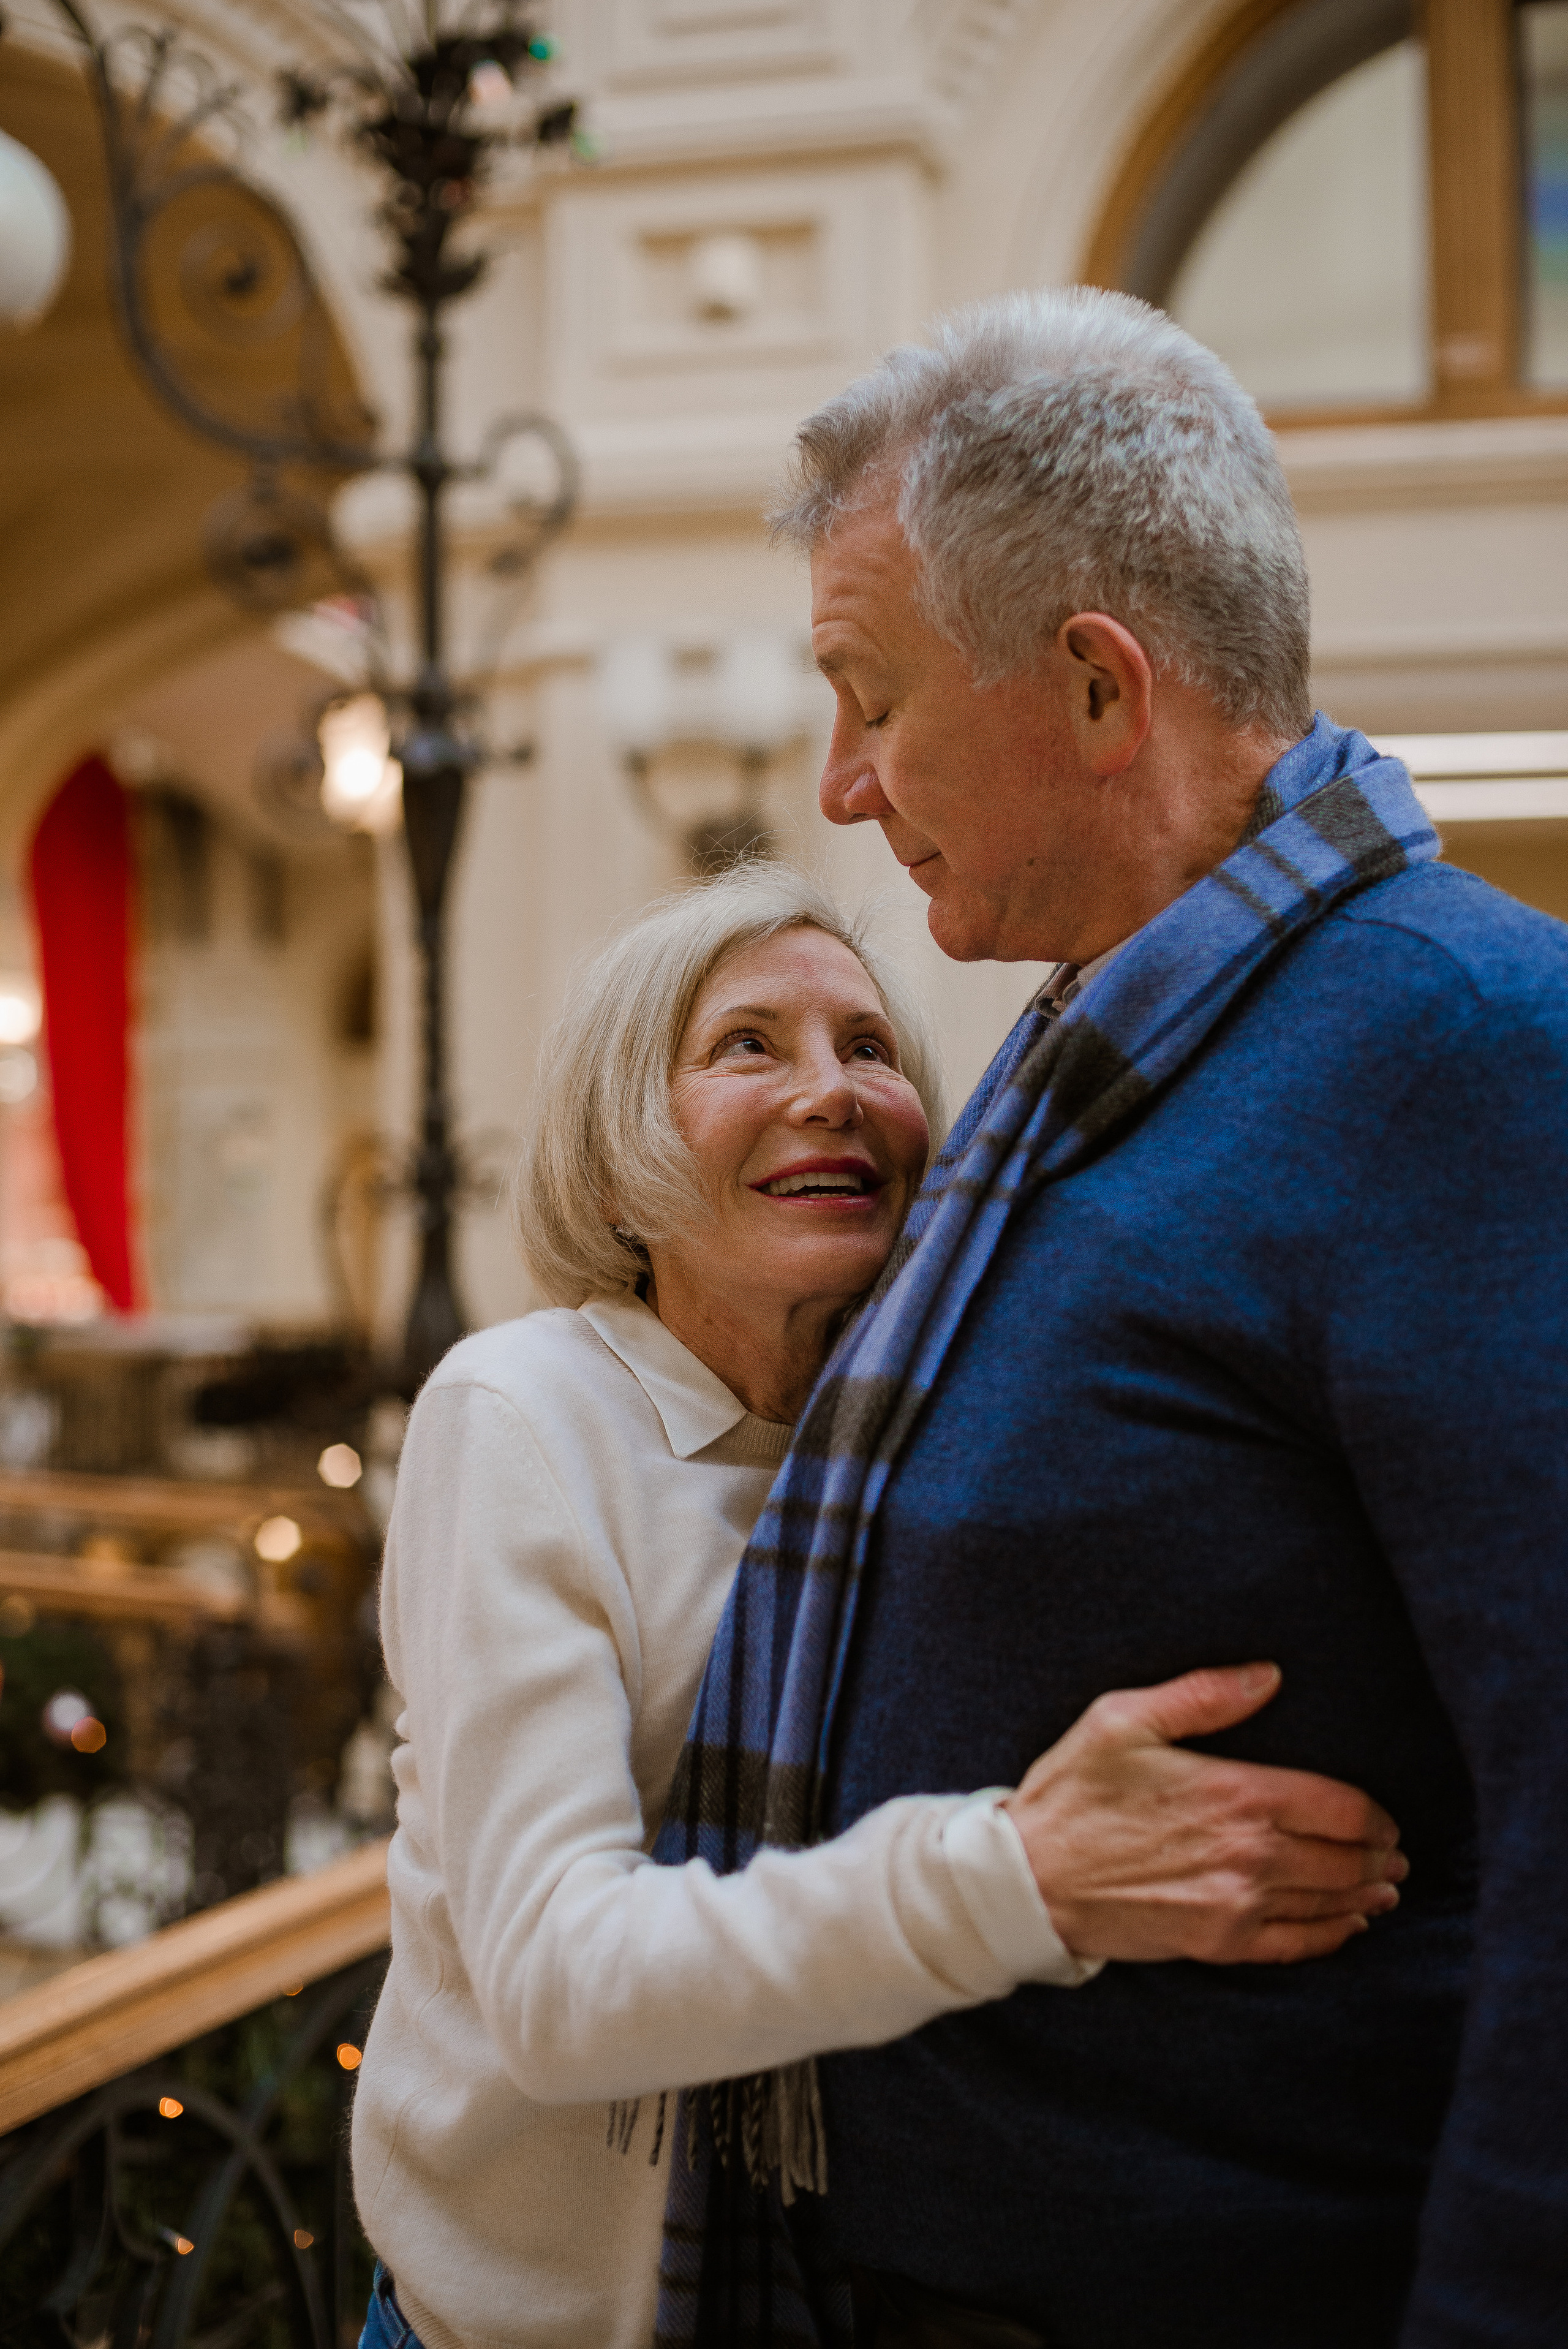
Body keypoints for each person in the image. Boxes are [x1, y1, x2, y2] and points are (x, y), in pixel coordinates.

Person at [656, 289, 1568, 2348]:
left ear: (1092, 688)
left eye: (871, 696)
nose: (839, 784)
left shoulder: (1469, 1048)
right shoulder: (1104, 1047)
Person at [350, 864, 1405, 2349]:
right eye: (746, 1047)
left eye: (870, 1047)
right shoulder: (522, 1407)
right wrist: (1023, 1878)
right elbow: (554, 1983)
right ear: (612, 1160)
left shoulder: (914, 1434)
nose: (833, 1091)